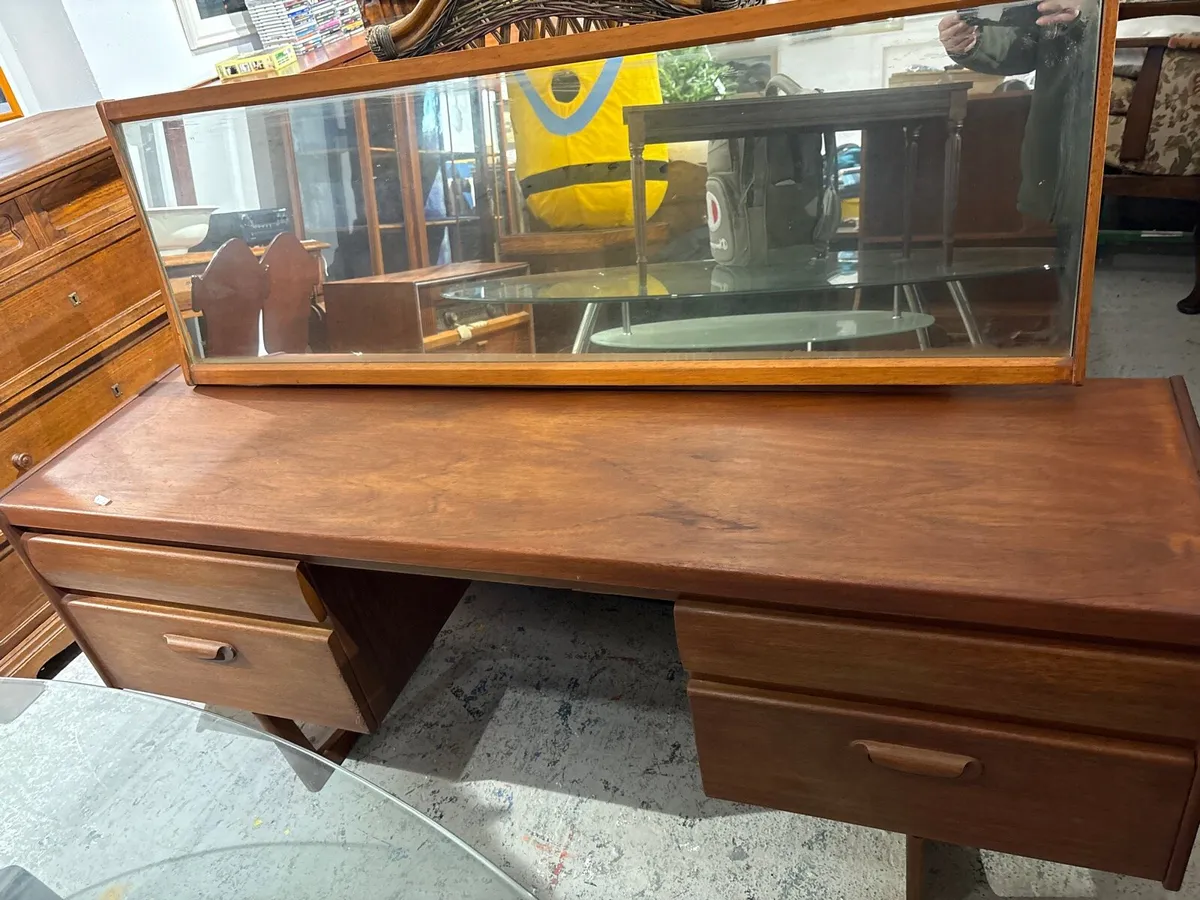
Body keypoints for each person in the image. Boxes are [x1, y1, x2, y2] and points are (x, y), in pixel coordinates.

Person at [938, 0, 1097, 227]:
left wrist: (1089, 11)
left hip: (1153, 124)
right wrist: (973, 41)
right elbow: (1023, 41)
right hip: (1069, 146)